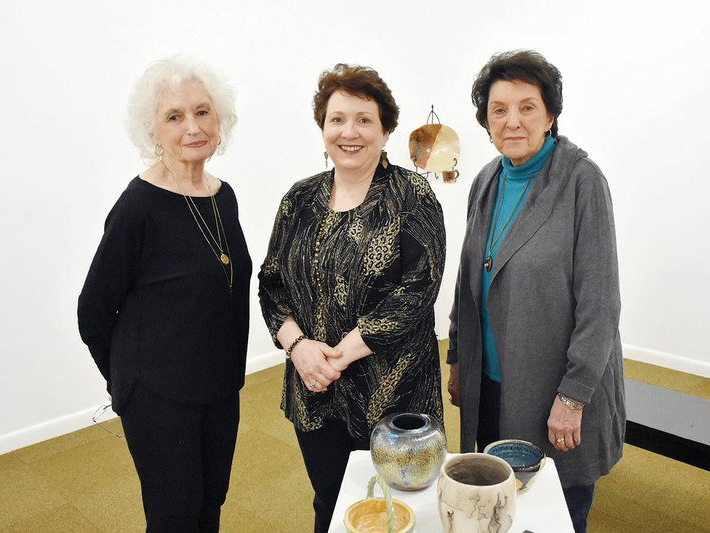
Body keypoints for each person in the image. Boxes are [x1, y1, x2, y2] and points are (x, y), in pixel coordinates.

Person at [258, 63, 446, 533]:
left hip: (394, 394)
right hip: (313, 389)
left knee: (403, 511)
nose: (350, 132)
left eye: (364, 120)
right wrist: (299, 348)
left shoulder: (412, 194)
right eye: (337, 119)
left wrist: (338, 356)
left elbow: (418, 290)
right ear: (323, 127)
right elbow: (270, 283)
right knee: (332, 503)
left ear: (385, 131)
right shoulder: (298, 199)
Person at [447, 49, 625, 533]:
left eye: (527, 106)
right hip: (492, 386)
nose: (512, 121)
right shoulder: (485, 180)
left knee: (554, 515)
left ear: (550, 114)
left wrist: (574, 396)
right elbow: (469, 279)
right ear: (485, 119)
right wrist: (459, 359)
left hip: (554, 388)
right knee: (495, 508)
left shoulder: (581, 181)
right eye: (498, 109)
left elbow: (601, 302)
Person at [77, 55, 251, 532]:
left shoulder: (223, 195)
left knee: (210, 504)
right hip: (159, 398)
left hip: (219, 389)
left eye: (202, 111)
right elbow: (93, 311)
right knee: (174, 516)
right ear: (153, 131)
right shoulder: (138, 207)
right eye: (174, 116)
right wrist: (126, 386)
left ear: (220, 120)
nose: (192, 126)